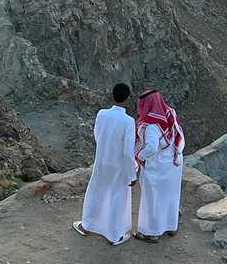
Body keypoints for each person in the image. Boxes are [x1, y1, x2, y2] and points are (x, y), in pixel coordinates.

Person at [73, 82, 137, 246]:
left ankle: (86, 225)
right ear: (127, 99)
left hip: (102, 161)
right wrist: (132, 174)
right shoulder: (129, 122)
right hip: (119, 165)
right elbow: (128, 152)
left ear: (112, 96)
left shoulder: (102, 114)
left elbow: (97, 135)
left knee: (96, 191)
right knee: (117, 197)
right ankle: (114, 235)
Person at [132, 89, 184, 243]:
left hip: (157, 167)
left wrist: (139, 156)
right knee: (171, 196)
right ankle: (171, 226)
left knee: (152, 198)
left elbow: (152, 147)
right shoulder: (170, 114)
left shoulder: (151, 125)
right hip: (174, 164)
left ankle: (152, 233)